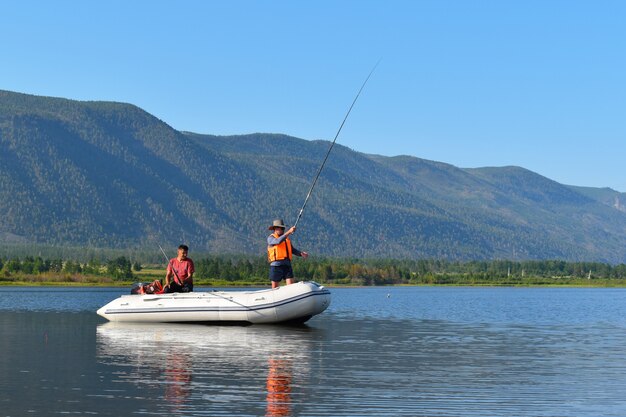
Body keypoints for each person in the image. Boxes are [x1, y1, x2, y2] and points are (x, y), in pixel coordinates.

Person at [267, 219, 308, 289]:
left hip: (287, 265)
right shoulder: (271, 238)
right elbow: (277, 241)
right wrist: (289, 232)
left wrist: (301, 253)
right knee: (275, 287)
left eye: (281, 228)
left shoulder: (286, 239)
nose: (280, 229)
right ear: (274, 229)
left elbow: (292, 250)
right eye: (277, 228)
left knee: (290, 286)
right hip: (276, 266)